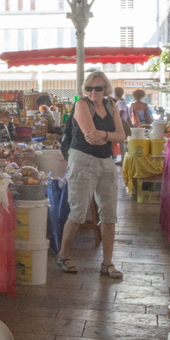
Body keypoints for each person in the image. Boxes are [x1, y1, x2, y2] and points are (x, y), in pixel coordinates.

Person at [56, 71, 125, 279]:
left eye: (98, 88)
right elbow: (89, 136)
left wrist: (103, 135)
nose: (94, 92)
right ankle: (63, 255)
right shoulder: (81, 104)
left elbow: (121, 136)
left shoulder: (111, 105)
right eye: (89, 88)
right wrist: (109, 137)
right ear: (84, 90)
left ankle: (107, 263)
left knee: (110, 213)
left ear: (106, 89)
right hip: (83, 159)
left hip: (106, 161)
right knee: (78, 210)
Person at [113, 87, 131, 164]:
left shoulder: (121, 102)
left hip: (122, 123)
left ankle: (123, 160)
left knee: (123, 142)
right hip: (122, 123)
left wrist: (117, 119)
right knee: (122, 142)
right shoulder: (120, 101)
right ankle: (123, 159)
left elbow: (121, 112)